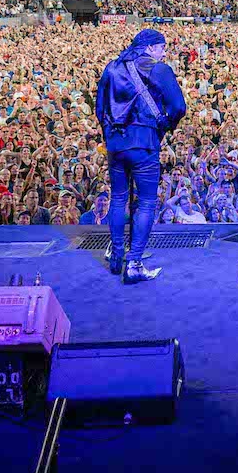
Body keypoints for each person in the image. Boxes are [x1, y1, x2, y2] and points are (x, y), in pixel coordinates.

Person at [94, 28, 188, 284]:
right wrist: (164, 125)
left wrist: (111, 135)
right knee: (146, 202)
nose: (164, 52)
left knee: (119, 197)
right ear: (149, 47)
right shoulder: (159, 69)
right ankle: (134, 263)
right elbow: (179, 107)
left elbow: (100, 108)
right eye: (162, 47)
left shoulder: (112, 68)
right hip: (144, 142)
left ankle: (116, 255)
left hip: (117, 144)